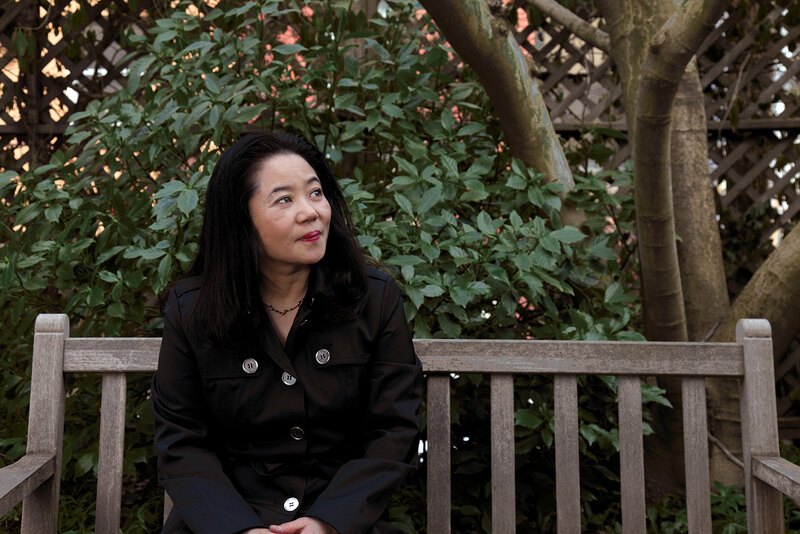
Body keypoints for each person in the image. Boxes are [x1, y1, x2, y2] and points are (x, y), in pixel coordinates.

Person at [152, 132, 423, 534]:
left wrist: (328, 522)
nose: (311, 212)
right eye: (284, 199)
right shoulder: (191, 311)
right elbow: (182, 441)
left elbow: (394, 428)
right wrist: (239, 528)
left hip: (338, 519)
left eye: (316, 193)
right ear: (240, 218)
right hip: (229, 521)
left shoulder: (374, 300)